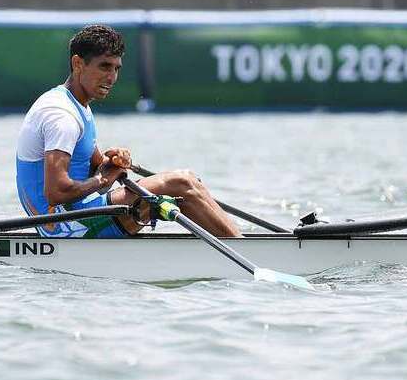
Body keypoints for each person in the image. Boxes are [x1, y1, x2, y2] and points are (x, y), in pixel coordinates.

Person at [15, 24, 241, 238]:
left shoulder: (77, 106)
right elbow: (57, 192)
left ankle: (240, 242)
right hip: (63, 226)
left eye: (116, 68)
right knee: (180, 184)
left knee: (190, 179)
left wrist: (113, 162)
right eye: (104, 66)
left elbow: (97, 169)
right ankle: (244, 249)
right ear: (78, 63)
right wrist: (103, 179)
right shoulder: (61, 116)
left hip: (76, 214)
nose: (112, 77)